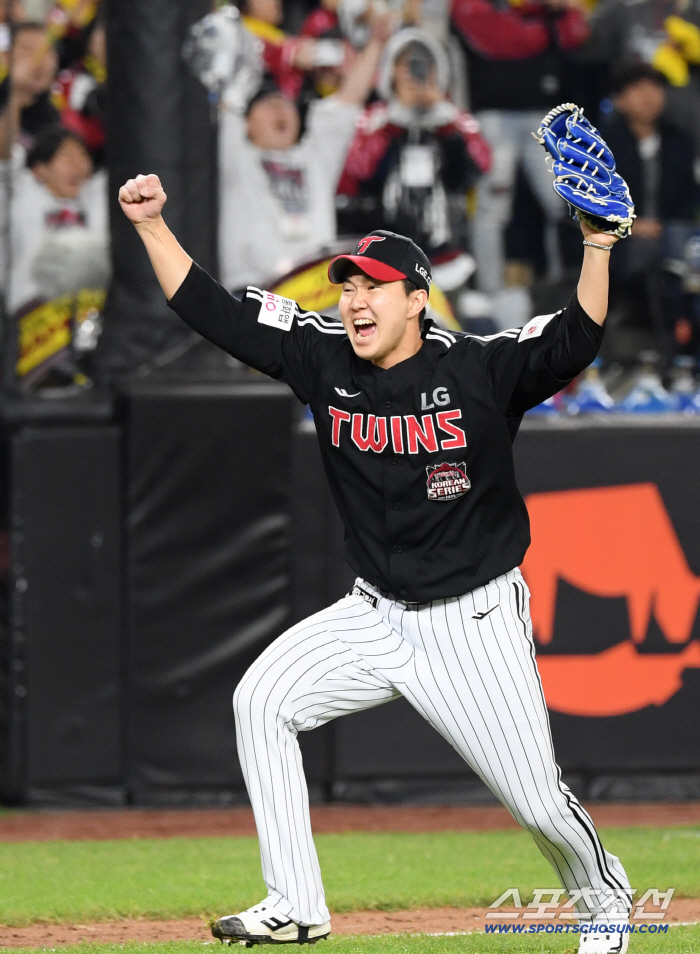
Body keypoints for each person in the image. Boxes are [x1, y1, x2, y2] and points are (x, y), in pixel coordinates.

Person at [118, 166, 633, 954]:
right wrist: (153, 225)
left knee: (537, 805)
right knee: (262, 700)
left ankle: (605, 904)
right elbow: (214, 311)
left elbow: (575, 337)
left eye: (376, 287)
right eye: (348, 285)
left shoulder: (478, 369)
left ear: (418, 300)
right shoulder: (322, 356)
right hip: (374, 613)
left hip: (475, 619)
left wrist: (597, 245)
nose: (355, 300)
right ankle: (295, 902)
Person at [218, 13, 391, 294]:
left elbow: (349, 99)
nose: (280, 109)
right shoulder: (235, 155)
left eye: (285, 104)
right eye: (268, 105)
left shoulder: (314, 158)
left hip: (316, 294)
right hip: (252, 294)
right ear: (246, 123)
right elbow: (227, 90)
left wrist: (376, 43)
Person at [451, 0, 589, 317]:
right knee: (491, 206)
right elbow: (499, 39)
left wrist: (560, 12)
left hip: (544, 113)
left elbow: (577, 34)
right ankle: (490, 291)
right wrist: (542, 11)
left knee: (564, 201)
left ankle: (567, 284)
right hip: (493, 115)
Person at [337, 27, 491, 283]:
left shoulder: (455, 119)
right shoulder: (372, 119)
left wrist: (444, 125)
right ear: (390, 70)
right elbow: (357, 171)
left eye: (423, 64)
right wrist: (394, 124)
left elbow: (481, 166)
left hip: (447, 261)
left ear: (437, 70)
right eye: (405, 64)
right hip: (384, 259)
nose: (414, 72)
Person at [600, 65, 697, 358]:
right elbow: (587, 200)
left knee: (684, 255)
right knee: (654, 259)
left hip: (673, 233)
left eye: (654, 88)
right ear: (619, 100)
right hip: (619, 239)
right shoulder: (601, 145)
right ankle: (669, 358)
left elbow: (689, 198)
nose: (648, 97)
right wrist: (631, 223)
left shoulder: (679, 141)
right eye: (637, 89)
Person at [1, 125, 108, 312]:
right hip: (30, 314)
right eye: (66, 156)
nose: (77, 165)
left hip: (84, 313)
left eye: (82, 155)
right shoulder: (21, 201)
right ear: (39, 170)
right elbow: (7, 159)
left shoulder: (93, 202)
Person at [0, 21, 60, 159]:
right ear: (6, 57)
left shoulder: (54, 116)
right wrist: (16, 93)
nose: (37, 60)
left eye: (45, 51)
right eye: (27, 50)